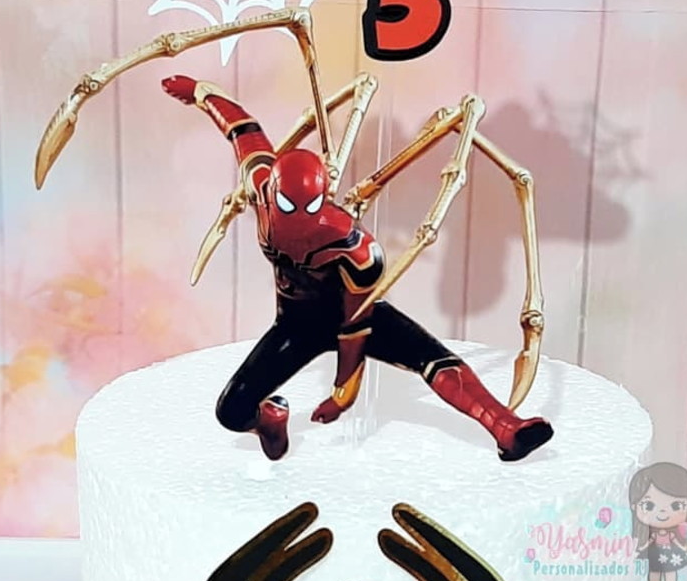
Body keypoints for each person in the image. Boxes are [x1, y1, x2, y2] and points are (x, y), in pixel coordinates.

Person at [161, 75, 554, 463]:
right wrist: (201, 92)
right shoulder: (260, 183)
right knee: (231, 412)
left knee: (432, 357)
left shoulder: (353, 245)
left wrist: (342, 392)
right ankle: (270, 420)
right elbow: (242, 128)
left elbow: (355, 326)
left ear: (324, 198)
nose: (299, 222)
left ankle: (506, 427)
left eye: (311, 208)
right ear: (272, 192)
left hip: (352, 316)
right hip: (295, 324)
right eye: (288, 207)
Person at [629, 462, 687, 581]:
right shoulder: (650, 534)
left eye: (676, 506)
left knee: (670, 569)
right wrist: (642, 547)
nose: (662, 511)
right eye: (649, 505)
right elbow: (649, 542)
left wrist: (683, 547)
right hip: (655, 552)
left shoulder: (674, 534)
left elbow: (676, 542)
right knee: (654, 569)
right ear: (634, 506)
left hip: (670, 553)